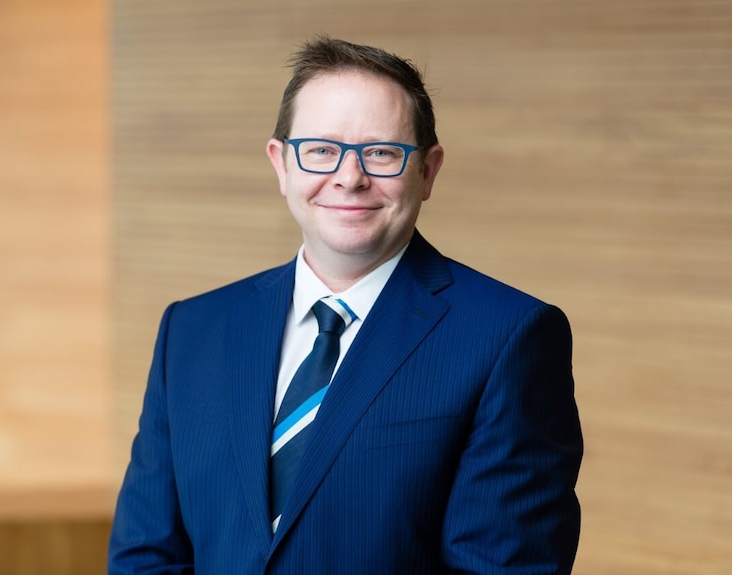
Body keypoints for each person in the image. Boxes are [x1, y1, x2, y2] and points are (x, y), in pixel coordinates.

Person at [108, 36, 583, 574]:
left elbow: (504, 567)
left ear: (428, 171)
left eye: (381, 152)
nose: (349, 177)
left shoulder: (508, 336)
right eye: (321, 150)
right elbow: (146, 556)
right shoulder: (192, 330)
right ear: (281, 164)